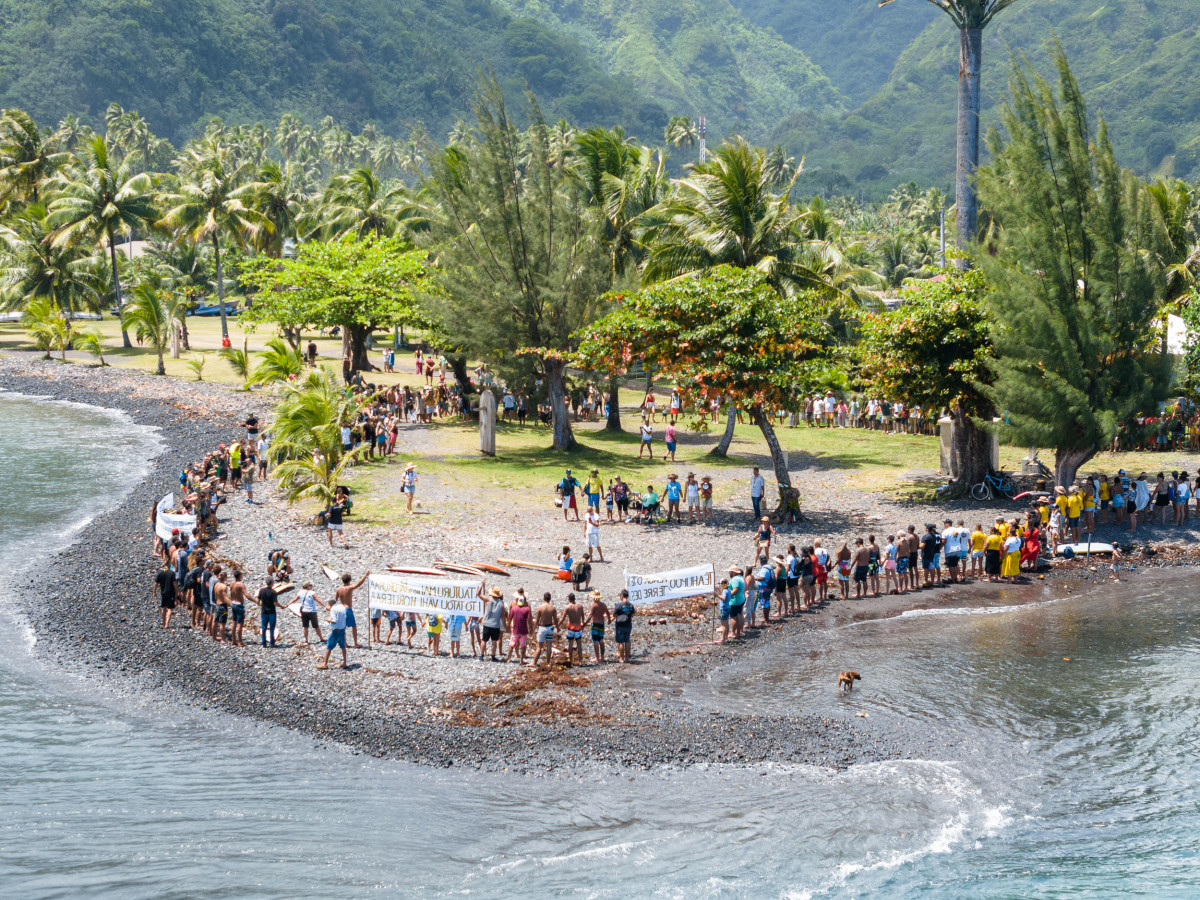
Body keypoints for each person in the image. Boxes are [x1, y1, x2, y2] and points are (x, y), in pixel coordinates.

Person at [336, 571, 369, 649]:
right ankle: (355, 643)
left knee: (343, 626)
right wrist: (365, 575)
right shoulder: (349, 588)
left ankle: (344, 642)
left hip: (340, 608)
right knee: (354, 626)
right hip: (347, 608)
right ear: (349, 580)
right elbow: (358, 584)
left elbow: (335, 599)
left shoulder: (339, 589)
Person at [318, 594, 349, 670]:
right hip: (342, 629)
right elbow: (345, 617)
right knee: (343, 646)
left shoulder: (333, 609)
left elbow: (334, 620)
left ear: (330, 603)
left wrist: (328, 620)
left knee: (329, 647)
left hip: (336, 631)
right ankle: (345, 662)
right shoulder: (342, 607)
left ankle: (325, 664)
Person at [481, 586, 507, 661]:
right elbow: (502, 616)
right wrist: (505, 626)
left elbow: (478, 594)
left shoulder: (488, 600)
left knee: (484, 640)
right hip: (495, 624)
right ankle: (493, 656)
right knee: (494, 641)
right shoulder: (501, 604)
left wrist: (481, 585)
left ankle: (482, 655)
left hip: (487, 623)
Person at [560, 592, 586, 665]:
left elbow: (562, 619)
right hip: (578, 627)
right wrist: (583, 623)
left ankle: (571, 660)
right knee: (579, 644)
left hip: (571, 627)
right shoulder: (580, 606)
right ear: (575, 598)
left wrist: (557, 625)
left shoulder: (568, 607)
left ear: (569, 599)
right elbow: (583, 616)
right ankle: (580, 661)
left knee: (570, 644)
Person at [506, 590, 532, 664]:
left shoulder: (514, 608)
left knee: (512, 644)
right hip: (523, 630)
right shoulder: (527, 608)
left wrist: (508, 626)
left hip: (515, 629)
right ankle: (521, 660)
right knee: (522, 645)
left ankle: (509, 658)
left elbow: (509, 617)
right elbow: (529, 619)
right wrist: (531, 628)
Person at [533, 592, 557, 669]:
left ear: (543, 598)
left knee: (539, 646)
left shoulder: (540, 608)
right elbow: (555, 620)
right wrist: (558, 627)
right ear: (550, 599)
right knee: (549, 645)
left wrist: (533, 628)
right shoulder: (553, 608)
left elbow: (537, 620)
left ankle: (534, 662)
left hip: (542, 627)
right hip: (550, 627)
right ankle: (548, 662)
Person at [613, 588, 635, 662]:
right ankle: (627, 658)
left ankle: (621, 658)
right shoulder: (631, 605)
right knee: (627, 640)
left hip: (620, 624)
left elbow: (614, 614)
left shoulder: (618, 605)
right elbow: (633, 613)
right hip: (628, 623)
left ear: (622, 595)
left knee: (620, 641)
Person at [588, 590, 610, 661]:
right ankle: (602, 657)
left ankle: (597, 657)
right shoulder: (603, 605)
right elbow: (608, 613)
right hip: (601, 623)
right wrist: (609, 619)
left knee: (595, 640)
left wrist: (584, 623)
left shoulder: (593, 605)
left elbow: (590, 615)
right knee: (601, 639)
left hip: (594, 623)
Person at [154, 560, 176, 629]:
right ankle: (167, 624)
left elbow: (156, 584)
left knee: (164, 607)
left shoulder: (160, 573)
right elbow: (175, 584)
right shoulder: (172, 573)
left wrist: (154, 592)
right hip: (171, 592)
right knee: (170, 608)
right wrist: (178, 591)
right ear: (169, 565)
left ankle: (163, 623)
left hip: (163, 592)